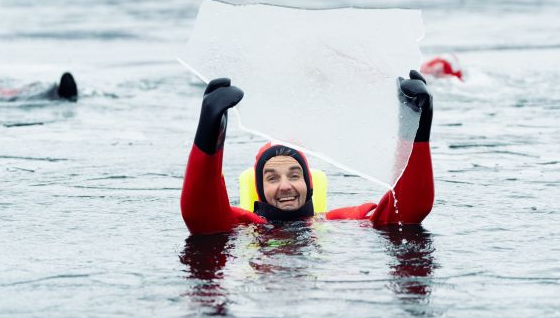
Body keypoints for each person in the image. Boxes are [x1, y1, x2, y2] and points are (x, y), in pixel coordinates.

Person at [180, 70, 435, 235]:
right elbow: (200, 216)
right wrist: (210, 131)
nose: (285, 186)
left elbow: (408, 213)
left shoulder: (338, 222)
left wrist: (415, 129)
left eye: (294, 175)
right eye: (271, 178)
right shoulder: (241, 225)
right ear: (259, 188)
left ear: (308, 184)